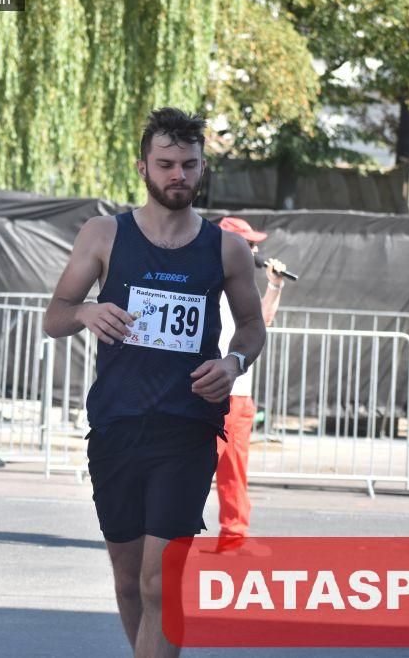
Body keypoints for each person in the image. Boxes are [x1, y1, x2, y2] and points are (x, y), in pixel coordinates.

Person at [44, 107, 266, 657]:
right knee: (127, 580)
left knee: (158, 582)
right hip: (117, 423)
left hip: (187, 426)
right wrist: (86, 312)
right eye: (166, 164)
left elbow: (252, 327)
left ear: (202, 167)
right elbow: (55, 317)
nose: (178, 175)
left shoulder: (226, 248)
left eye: (189, 165)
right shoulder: (104, 235)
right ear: (143, 167)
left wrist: (233, 364)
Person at [215, 218, 287, 553]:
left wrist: (275, 286)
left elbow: (262, 321)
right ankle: (164, 534)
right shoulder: (208, 280)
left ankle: (233, 536)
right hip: (211, 392)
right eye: (249, 244)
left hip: (238, 395)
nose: (256, 251)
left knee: (234, 470)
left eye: (255, 245)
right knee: (187, 469)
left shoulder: (243, 285)